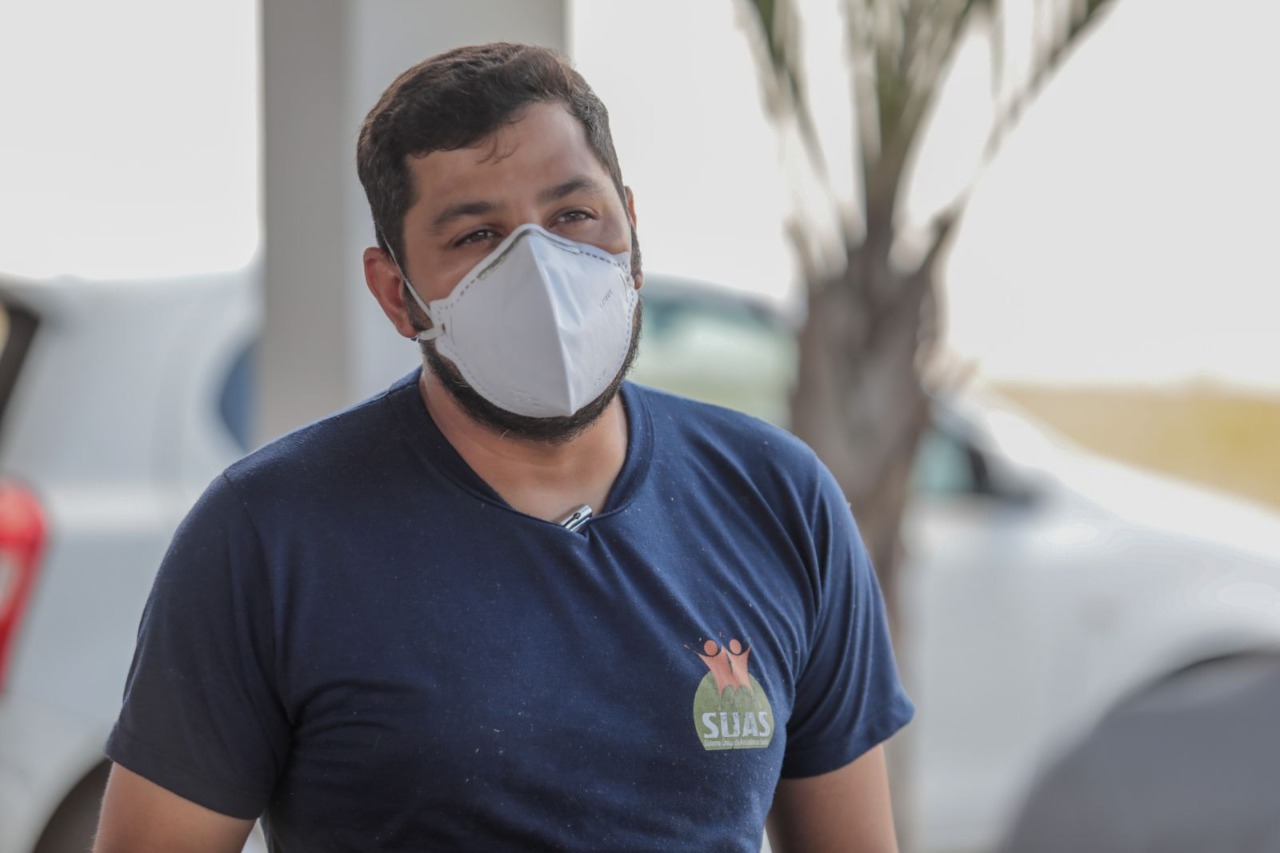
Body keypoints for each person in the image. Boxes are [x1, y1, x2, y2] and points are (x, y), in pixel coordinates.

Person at [94, 42, 913, 852]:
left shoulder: (778, 500)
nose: (542, 270)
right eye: (478, 235)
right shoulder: (269, 536)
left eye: (573, 217)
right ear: (396, 293)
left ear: (631, 225)